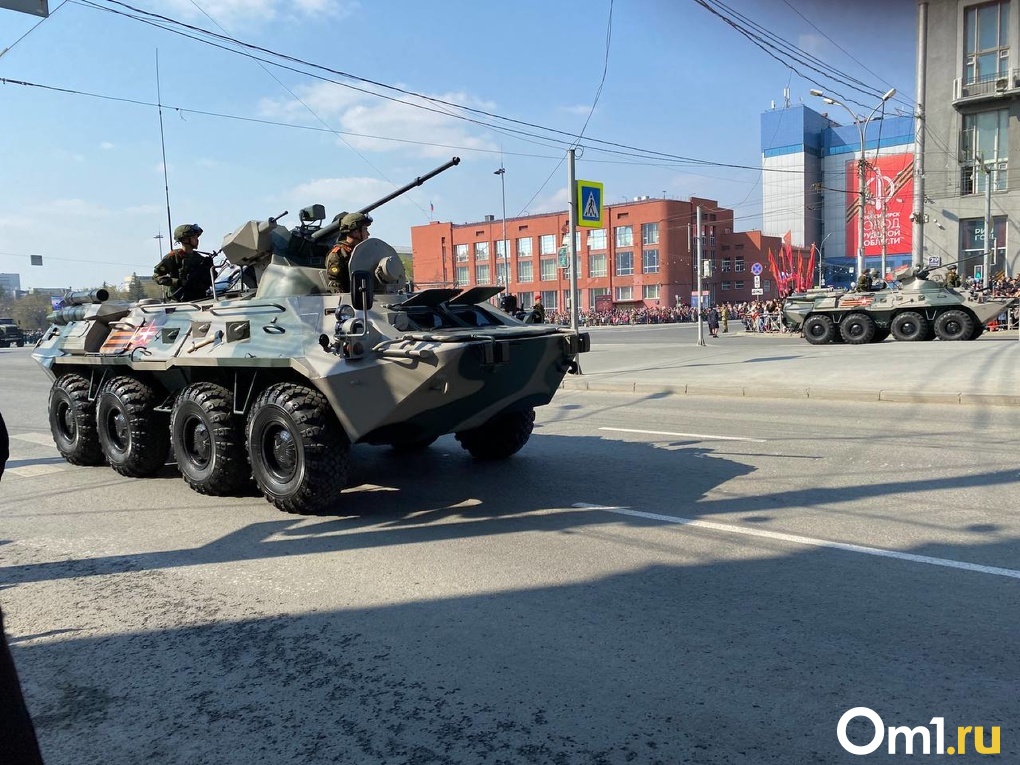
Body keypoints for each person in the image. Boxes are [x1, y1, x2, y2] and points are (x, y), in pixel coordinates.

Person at [153, 224, 213, 302]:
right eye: (194, 237)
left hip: (200, 299)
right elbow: (156, 276)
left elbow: (211, 280)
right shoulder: (174, 257)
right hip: (180, 301)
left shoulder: (200, 259)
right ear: (185, 240)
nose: (197, 240)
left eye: (197, 237)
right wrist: (177, 282)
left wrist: (209, 269)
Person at [325, 212, 373, 294]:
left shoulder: (366, 252)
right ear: (356, 233)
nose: (368, 234)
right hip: (352, 299)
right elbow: (335, 284)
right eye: (365, 229)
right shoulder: (338, 254)